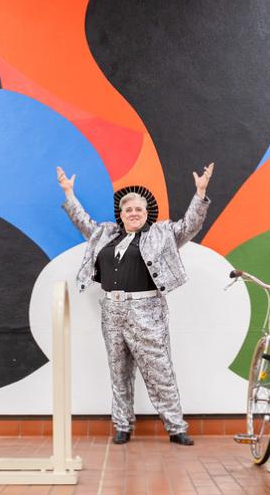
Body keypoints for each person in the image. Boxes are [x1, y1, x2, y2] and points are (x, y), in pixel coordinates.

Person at [56, 163, 214, 445]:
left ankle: (176, 427)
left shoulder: (161, 234)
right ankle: (122, 426)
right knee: (118, 370)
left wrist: (200, 193)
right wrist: (69, 193)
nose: (133, 213)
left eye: (138, 210)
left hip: (147, 311)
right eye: (128, 210)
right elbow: (82, 221)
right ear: (121, 214)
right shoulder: (104, 233)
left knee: (160, 370)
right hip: (111, 311)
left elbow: (190, 225)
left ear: (145, 214)